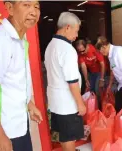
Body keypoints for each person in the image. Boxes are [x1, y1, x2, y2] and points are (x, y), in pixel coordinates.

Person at [0, 1, 42, 151]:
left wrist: (29, 104)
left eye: (36, 6)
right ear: (10, 8)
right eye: (26, 5)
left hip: (18, 127)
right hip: (1, 132)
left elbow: (12, 81)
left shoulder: (20, 40)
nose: (33, 11)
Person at [44, 12, 86, 151]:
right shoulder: (67, 49)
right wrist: (80, 104)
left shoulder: (51, 45)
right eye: (76, 30)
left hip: (56, 101)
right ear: (67, 27)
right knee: (69, 135)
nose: (76, 35)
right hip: (67, 103)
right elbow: (72, 81)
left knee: (62, 134)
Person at [75, 39, 106, 108]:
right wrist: (86, 80)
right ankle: (94, 107)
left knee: (97, 89)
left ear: (86, 47)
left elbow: (102, 64)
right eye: (79, 51)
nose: (81, 53)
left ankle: (101, 107)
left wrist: (102, 79)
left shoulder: (94, 49)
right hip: (92, 73)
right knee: (91, 90)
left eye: (83, 50)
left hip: (100, 71)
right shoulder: (80, 55)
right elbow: (83, 67)